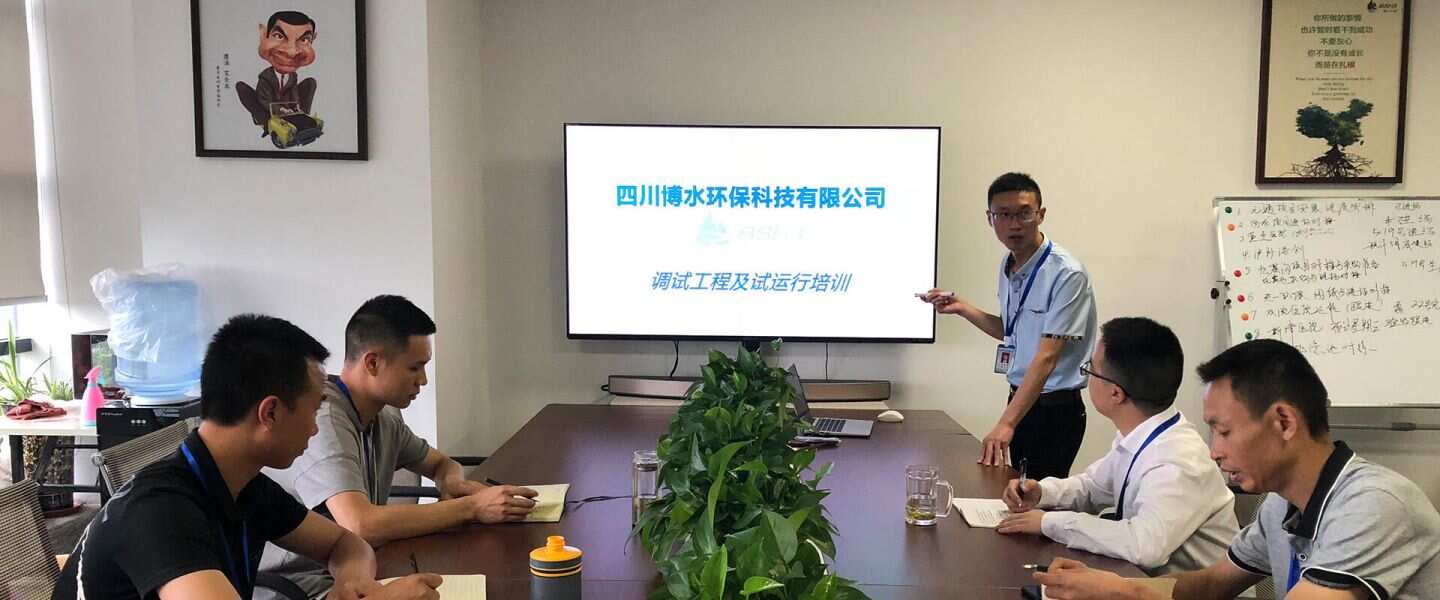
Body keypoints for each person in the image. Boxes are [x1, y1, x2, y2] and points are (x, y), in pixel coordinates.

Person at [52, 314, 441, 600]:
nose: (314, 429)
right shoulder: (161, 512)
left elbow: (345, 544)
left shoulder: (244, 485)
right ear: (270, 413)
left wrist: (353, 582)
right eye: (313, 411)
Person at [1033, 339, 1440, 600]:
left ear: (1283, 422)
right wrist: (1117, 587)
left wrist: (1123, 593)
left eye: (1224, 431)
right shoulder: (1280, 507)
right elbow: (1212, 584)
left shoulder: (1373, 505)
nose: (1214, 452)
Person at [260, 295, 537, 598]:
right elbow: (360, 524)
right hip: (303, 588)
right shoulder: (324, 418)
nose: (423, 380)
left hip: (360, 573)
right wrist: (472, 507)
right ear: (373, 363)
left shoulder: (383, 418)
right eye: (415, 368)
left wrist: (452, 483)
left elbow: (441, 463)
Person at [996, 317, 1238, 575]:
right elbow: (1094, 487)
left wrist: (1049, 523)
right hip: (1145, 582)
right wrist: (1043, 493)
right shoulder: (1143, 433)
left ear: (1116, 393)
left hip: (1190, 590)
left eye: (1090, 370)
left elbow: (1145, 546)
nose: (1086, 376)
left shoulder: (1178, 460)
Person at [921, 172, 1097, 479]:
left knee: (1038, 497)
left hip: (1055, 410)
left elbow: (1047, 356)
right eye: (1003, 214)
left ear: (1041, 215)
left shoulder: (1066, 273)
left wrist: (1006, 423)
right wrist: (962, 308)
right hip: (1021, 400)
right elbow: (1012, 331)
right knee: (1016, 490)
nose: (1014, 224)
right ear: (990, 218)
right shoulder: (1009, 265)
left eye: (1024, 213)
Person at [237, 11, 319, 127]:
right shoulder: (265, 77)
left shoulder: (293, 77)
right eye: (279, 36)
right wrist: (281, 110)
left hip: (288, 111)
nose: (291, 52)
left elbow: (294, 95)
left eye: (304, 40)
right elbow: (264, 100)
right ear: (263, 35)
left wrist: (295, 110)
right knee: (241, 87)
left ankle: (302, 118)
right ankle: (265, 122)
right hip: (268, 110)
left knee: (310, 82)